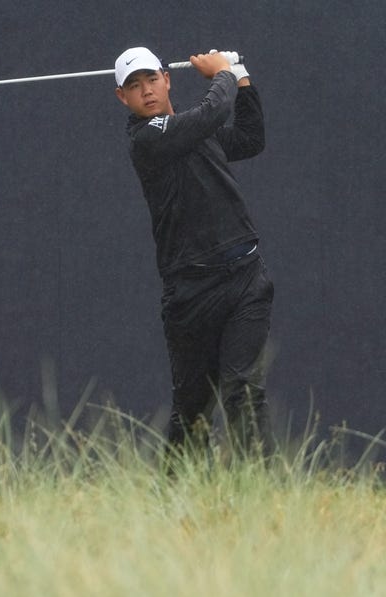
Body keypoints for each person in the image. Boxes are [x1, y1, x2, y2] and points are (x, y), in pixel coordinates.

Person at [114, 47, 273, 461]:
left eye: (151, 79)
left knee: (242, 390)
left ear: (168, 79)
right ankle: (173, 504)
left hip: (244, 280)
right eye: (134, 85)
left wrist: (242, 79)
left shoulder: (193, 129)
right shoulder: (146, 139)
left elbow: (250, 139)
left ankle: (263, 497)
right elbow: (211, 113)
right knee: (193, 411)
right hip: (190, 294)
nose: (145, 91)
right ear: (122, 98)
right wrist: (223, 73)